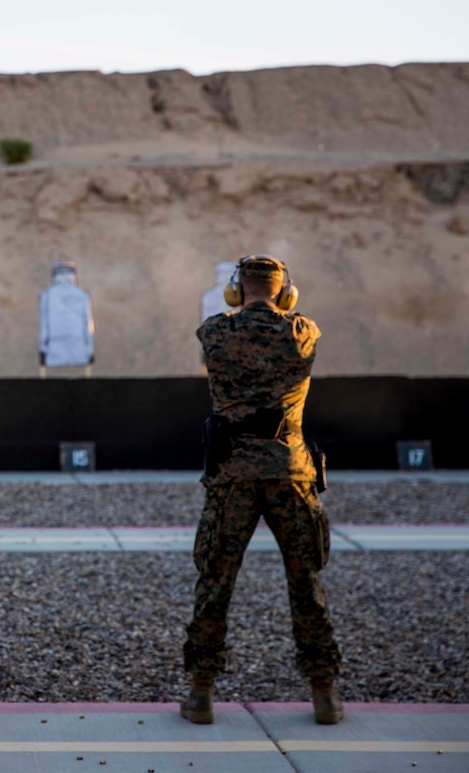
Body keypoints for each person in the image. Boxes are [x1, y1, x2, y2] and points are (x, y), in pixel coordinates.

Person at [181, 254, 343, 726]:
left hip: (233, 474)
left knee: (214, 584)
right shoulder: (302, 331)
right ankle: (325, 693)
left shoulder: (215, 331)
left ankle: (200, 693)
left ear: (238, 289)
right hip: (291, 473)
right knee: (306, 584)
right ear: (284, 291)